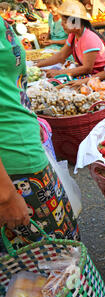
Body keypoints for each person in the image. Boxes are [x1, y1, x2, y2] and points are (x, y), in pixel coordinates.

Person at [0, 15, 80, 254]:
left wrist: (27, 115)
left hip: (24, 151)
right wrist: (6, 196)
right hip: (14, 168)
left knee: (63, 250)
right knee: (55, 258)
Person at [36, 0, 105, 79]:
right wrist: (37, 66)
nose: (62, 24)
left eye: (65, 21)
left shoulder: (89, 38)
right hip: (88, 74)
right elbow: (61, 55)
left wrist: (59, 73)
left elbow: (87, 68)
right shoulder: (73, 35)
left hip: (97, 76)